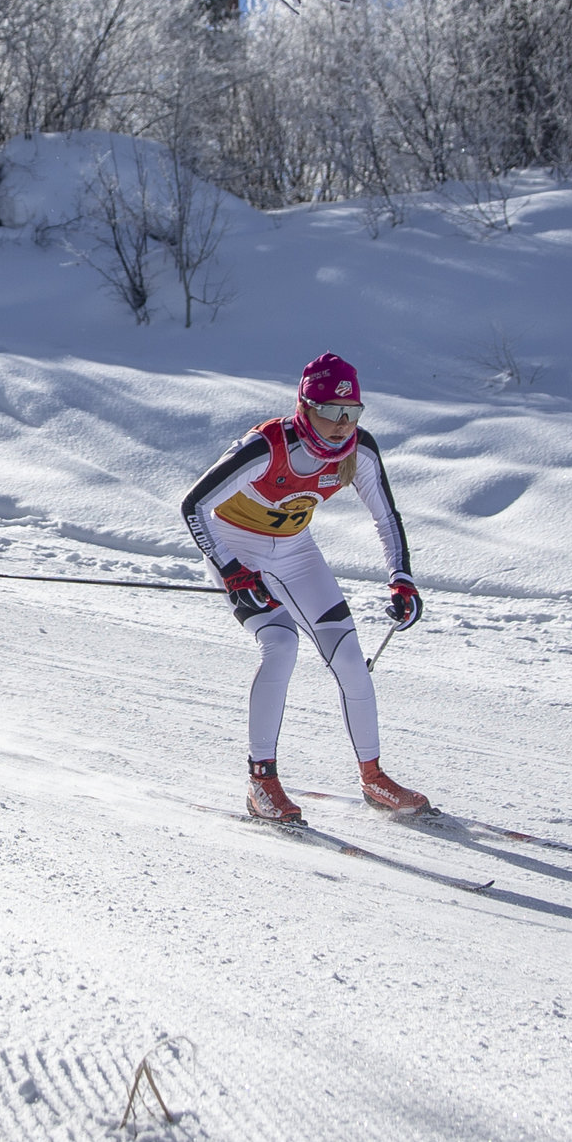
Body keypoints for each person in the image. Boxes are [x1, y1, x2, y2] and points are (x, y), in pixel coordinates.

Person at [179, 351, 430, 827]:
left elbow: (385, 517)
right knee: (281, 645)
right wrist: (232, 570)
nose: (341, 425)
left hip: (295, 549)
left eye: (352, 413)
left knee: (351, 658)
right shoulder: (266, 446)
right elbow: (194, 505)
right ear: (305, 406)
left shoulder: (360, 450)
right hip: (235, 546)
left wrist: (402, 577)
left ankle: (374, 777)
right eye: (331, 412)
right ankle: (261, 782)